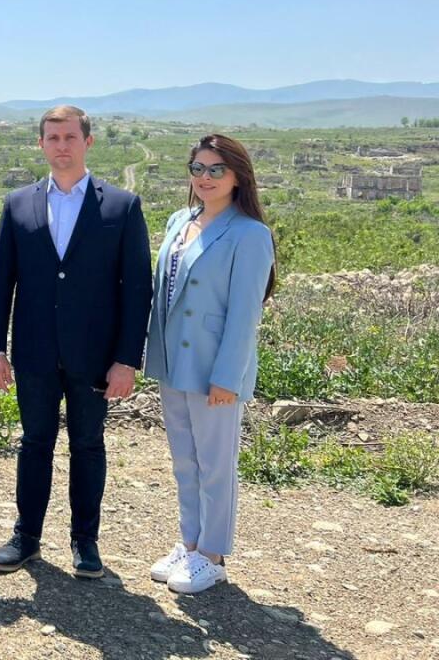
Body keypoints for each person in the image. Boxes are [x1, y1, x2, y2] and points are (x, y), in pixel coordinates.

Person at [0, 105, 152, 579]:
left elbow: (138, 289)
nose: (61, 146)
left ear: (87, 142)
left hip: (94, 356)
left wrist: (126, 359)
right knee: (34, 443)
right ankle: (26, 536)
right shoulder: (18, 203)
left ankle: (85, 542)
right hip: (35, 351)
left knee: (88, 445)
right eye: (53, 138)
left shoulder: (121, 206)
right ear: (41, 144)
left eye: (70, 137)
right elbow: (2, 282)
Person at [145, 134, 275, 594]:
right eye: (197, 168)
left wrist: (227, 377)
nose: (205, 177)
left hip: (214, 367)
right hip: (174, 362)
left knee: (216, 465)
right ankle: (191, 543)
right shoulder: (180, 220)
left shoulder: (250, 234)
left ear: (238, 176)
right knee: (185, 461)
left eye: (216, 169)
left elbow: (244, 315)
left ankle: (214, 555)